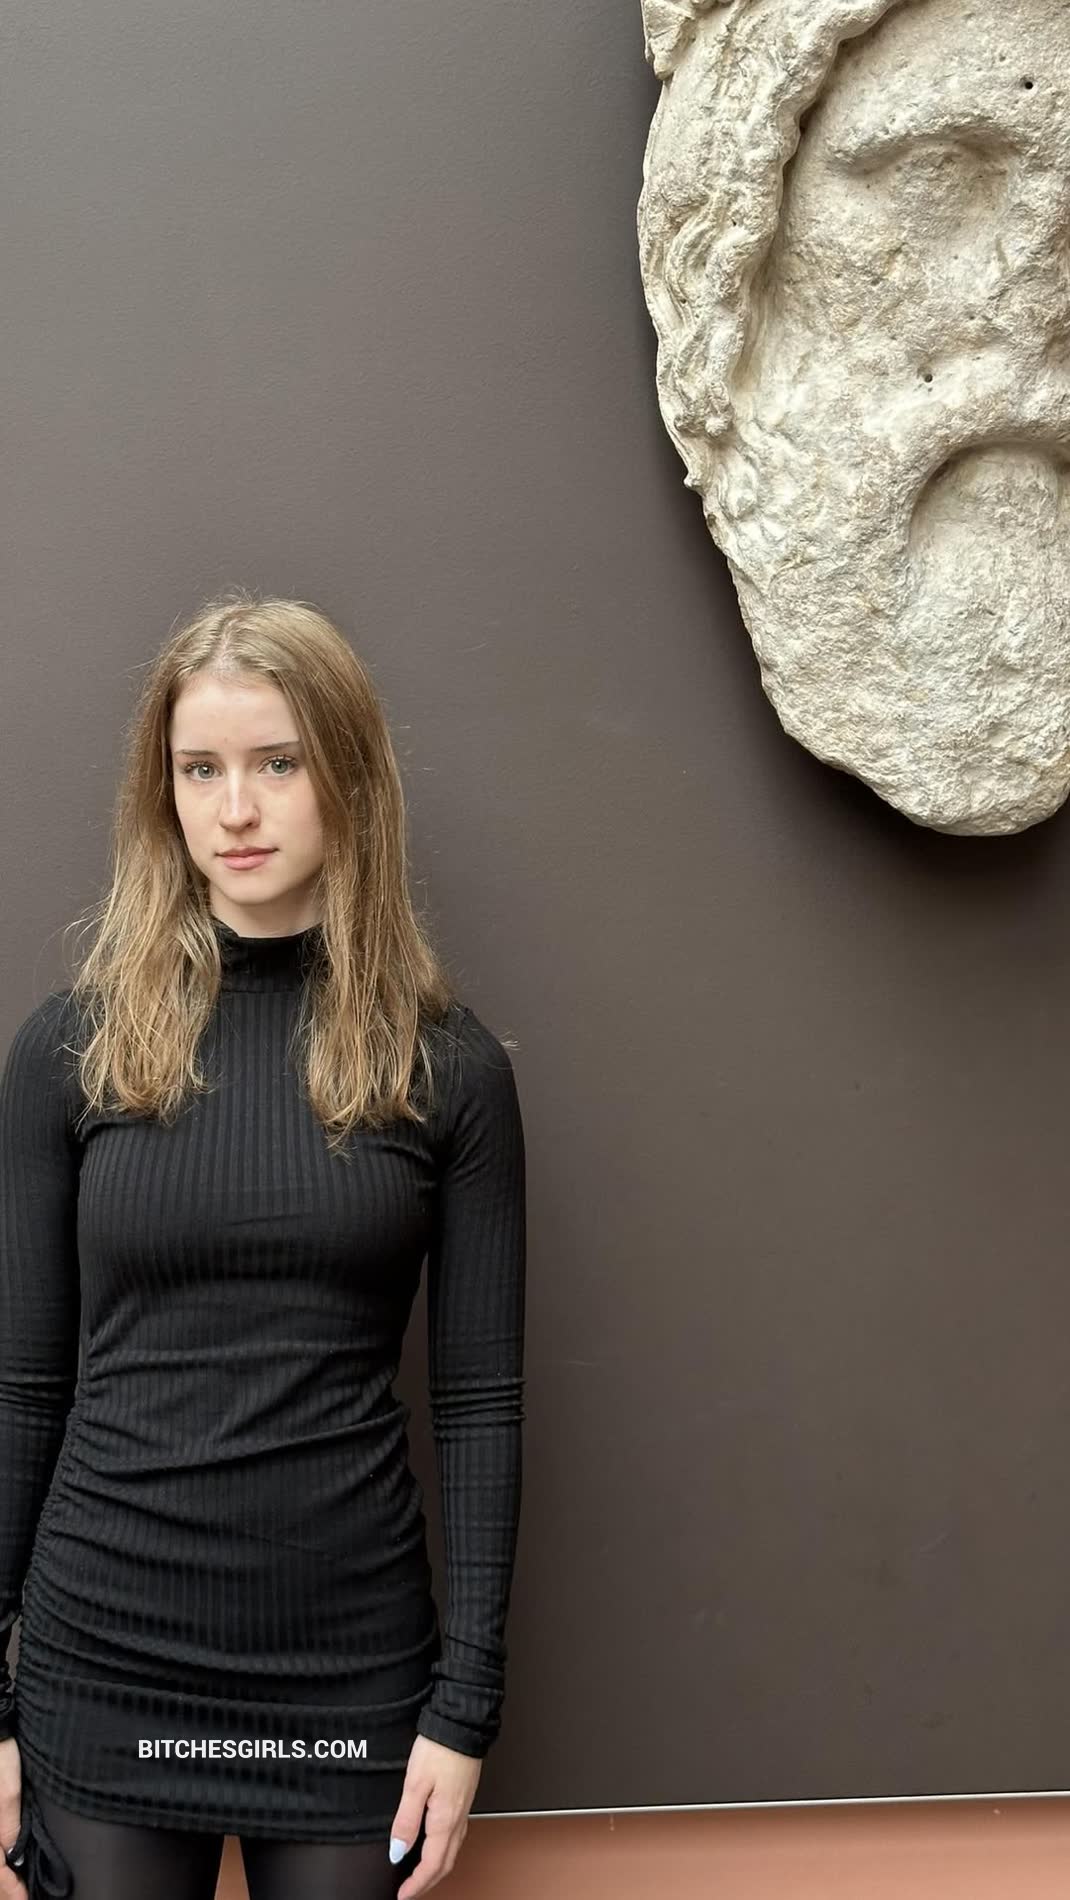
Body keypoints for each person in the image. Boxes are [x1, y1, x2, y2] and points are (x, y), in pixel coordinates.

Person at [0, 589, 527, 1900]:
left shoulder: (446, 1069)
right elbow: (20, 1388)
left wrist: (465, 1708)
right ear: (164, 794)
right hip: (105, 1667)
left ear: (346, 776)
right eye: (200, 770)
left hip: (345, 1681)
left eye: (276, 763)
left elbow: (479, 1408)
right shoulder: (70, 1049)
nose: (235, 809)